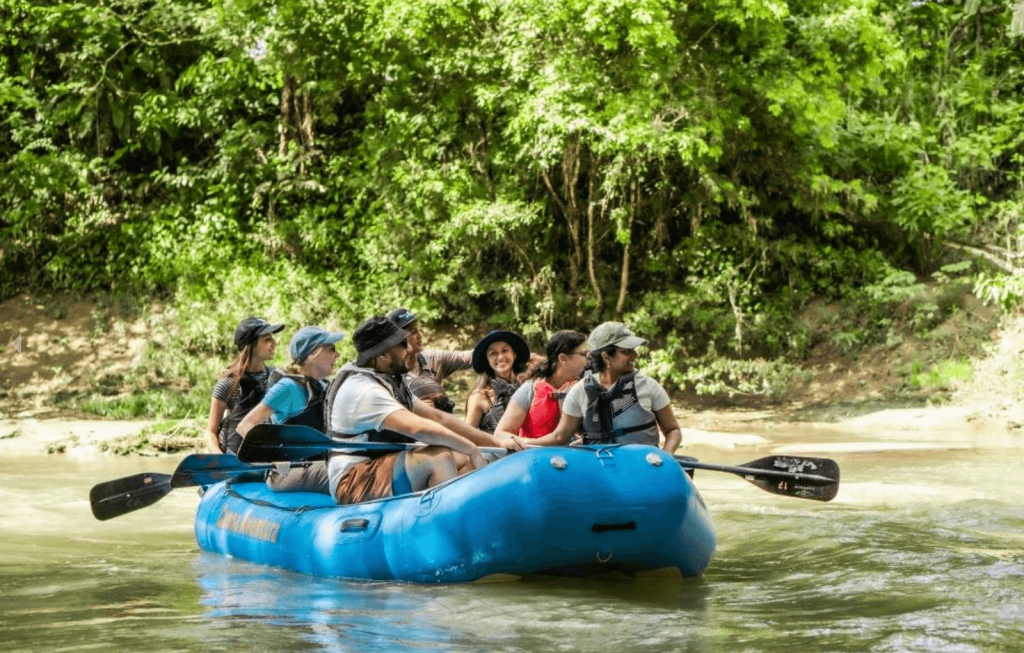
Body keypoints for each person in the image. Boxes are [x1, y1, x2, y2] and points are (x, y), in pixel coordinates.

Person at [324, 316, 521, 505]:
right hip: (352, 481)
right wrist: (470, 446)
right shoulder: (364, 390)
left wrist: (495, 442)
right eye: (401, 344)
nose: (409, 349)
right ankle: (448, 521)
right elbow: (418, 429)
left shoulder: (387, 377)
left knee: (463, 456)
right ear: (382, 355)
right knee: (440, 457)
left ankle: (465, 509)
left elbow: (437, 417)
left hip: (383, 465)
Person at [525, 322, 683, 453]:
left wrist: (665, 456)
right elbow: (560, 437)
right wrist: (522, 442)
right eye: (626, 351)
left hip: (641, 466)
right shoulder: (579, 391)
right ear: (606, 356)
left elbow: (673, 430)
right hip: (597, 471)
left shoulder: (649, 386)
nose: (635, 355)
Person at [236, 325, 344, 493]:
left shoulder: (323, 386)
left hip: (316, 464)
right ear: (313, 354)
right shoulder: (288, 387)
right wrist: (273, 456)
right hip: (286, 473)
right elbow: (245, 425)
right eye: (331, 349)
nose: (337, 355)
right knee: (347, 473)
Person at [204, 317, 285, 455]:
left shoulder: (278, 378)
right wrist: (221, 459)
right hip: (234, 462)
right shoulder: (228, 384)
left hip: (267, 460)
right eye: (267, 339)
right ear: (251, 345)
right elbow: (209, 432)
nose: (274, 343)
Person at [493, 330, 588, 441]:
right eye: (584, 354)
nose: (589, 359)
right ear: (563, 359)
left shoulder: (588, 387)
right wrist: (529, 443)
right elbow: (500, 434)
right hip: (535, 456)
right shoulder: (530, 390)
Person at [385, 307, 473, 413]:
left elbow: (468, 357)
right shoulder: (386, 374)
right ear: (397, 339)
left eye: (418, 331)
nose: (419, 336)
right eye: (413, 332)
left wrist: (492, 347)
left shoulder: (432, 358)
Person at [465, 330, 532, 433]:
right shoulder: (480, 396)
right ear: (487, 359)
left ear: (514, 353)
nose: (500, 357)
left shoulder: (530, 385)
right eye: (493, 353)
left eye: (505, 351)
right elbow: (467, 435)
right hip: (496, 448)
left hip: (530, 447)